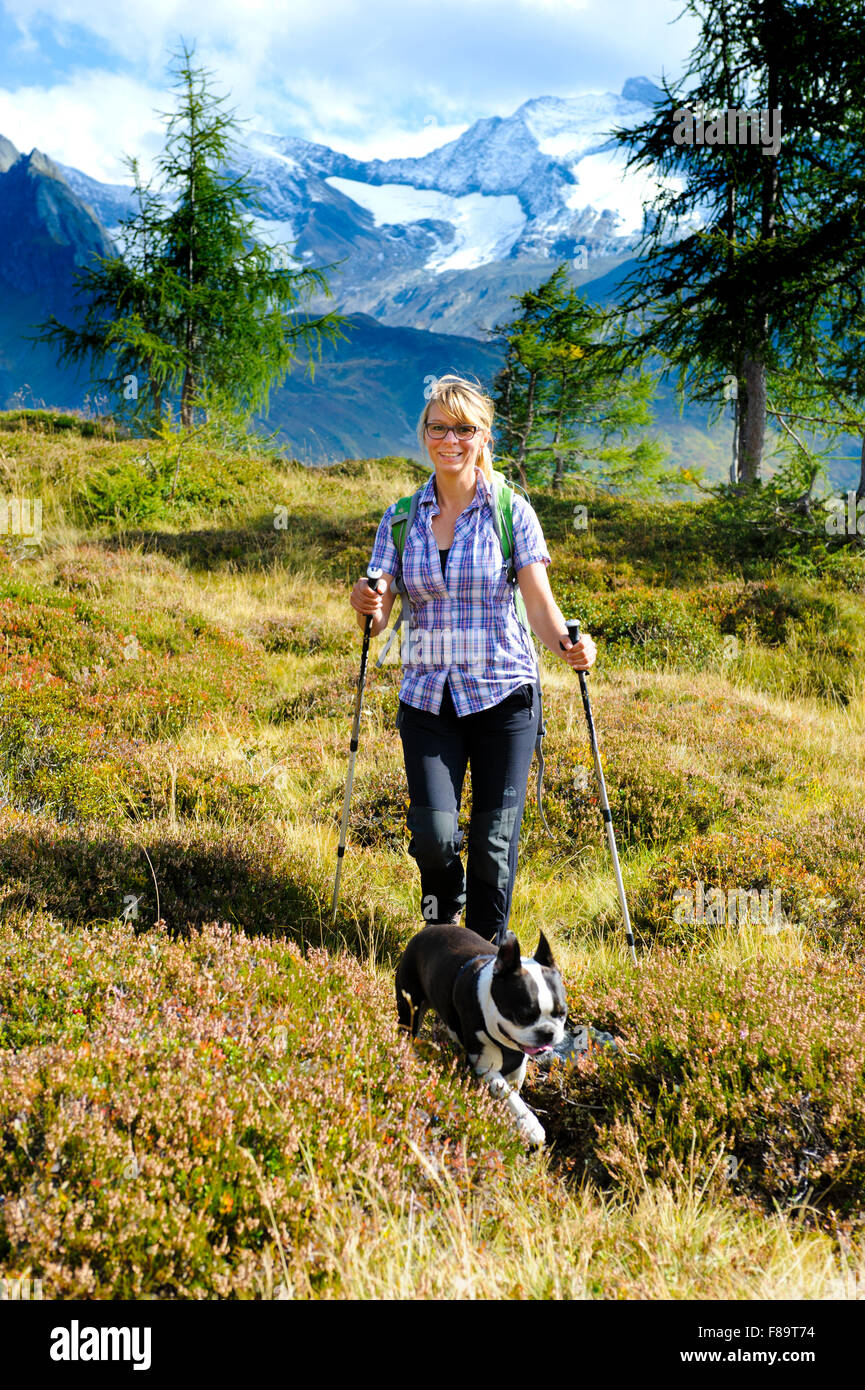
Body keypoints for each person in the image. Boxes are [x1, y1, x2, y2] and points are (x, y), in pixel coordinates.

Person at [349, 374, 596, 945]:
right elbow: (377, 616)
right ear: (425, 435)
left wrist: (570, 646)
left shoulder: (512, 513)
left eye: (465, 428)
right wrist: (365, 603)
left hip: (503, 695)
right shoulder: (401, 518)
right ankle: (442, 941)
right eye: (439, 428)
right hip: (427, 696)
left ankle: (484, 961)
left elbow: (539, 606)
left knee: (493, 845)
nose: (451, 440)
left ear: (485, 435)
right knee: (434, 836)